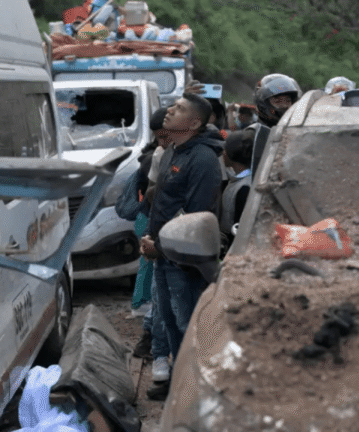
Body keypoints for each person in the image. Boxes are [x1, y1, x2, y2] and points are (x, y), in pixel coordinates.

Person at [139, 93, 223, 400]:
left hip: (185, 260)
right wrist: (150, 238)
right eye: (172, 106)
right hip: (164, 255)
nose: (170, 110)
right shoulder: (173, 151)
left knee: (189, 325)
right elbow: (163, 203)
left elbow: (197, 216)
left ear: (195, 122)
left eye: (179, 109)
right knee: (171, 323)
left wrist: (159, 247)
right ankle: (181, 386)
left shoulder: (203, 160)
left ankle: (201, 394)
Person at [132, 108, 173, 384]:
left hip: (162, 231)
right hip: (160, 232)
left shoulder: (175, 154)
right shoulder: (159, 156)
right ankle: (157, 352)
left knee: (160, 295)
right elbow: (151, 195)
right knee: (160, 294)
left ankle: (152, 343)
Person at [219, 129, 253, 254]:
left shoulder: (244, 187)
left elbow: (238, 227)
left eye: (225, 150)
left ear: (232, 154)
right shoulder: (236, 178)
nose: (223, 153)